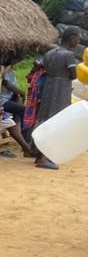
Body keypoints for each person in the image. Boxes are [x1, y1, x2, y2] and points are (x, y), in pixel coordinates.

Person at [34, 29, 82, 170]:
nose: (78, 42)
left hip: (48, 86)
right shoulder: (69, 55)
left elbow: (38, 65)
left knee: (46, 119)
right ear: (71, 38)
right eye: (77, 39)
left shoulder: (50, 53)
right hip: (61, 89)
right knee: (57, 121)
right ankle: (43, 158)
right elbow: (73, 75)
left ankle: (39, 155)